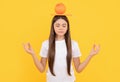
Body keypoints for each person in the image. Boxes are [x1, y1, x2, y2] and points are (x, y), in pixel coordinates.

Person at [23, 15, 100, 82]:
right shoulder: (46, 44)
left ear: (67, 28)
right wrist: (33, 54)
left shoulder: (73, 44)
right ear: (53, 27)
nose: (61, 28)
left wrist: (90, 55)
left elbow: (79, 69)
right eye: (57, 25)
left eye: (64, 25)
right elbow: (41, 69)